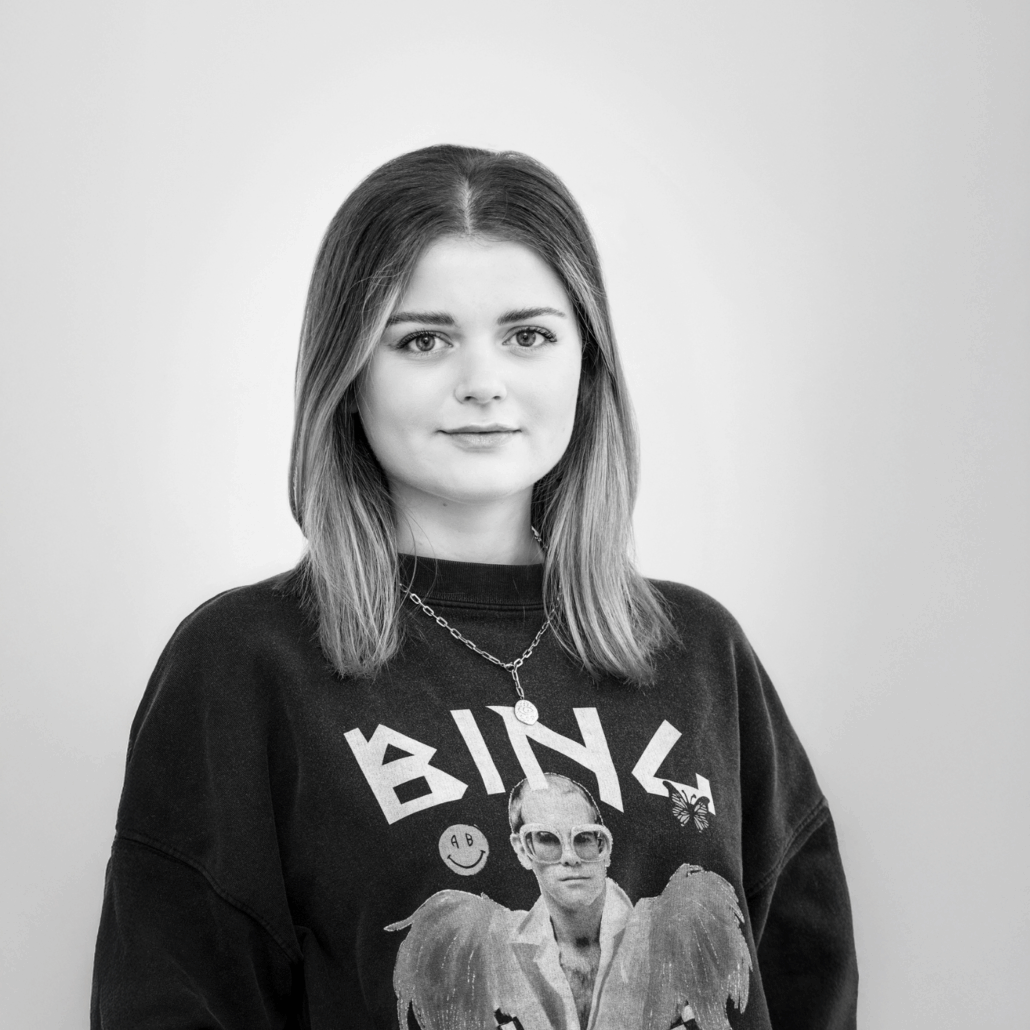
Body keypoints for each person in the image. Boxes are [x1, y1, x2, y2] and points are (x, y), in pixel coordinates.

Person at [91, 144, 858, 1029]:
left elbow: (805, 980)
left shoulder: (699, 652)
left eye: (528, 336)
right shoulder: (244, 665)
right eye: (423, 340)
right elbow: (175, 997)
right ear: (349, 375)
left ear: (586, 366)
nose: (483, 384)